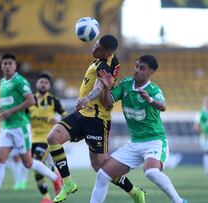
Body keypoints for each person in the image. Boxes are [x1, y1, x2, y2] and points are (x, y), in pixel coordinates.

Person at [47, 35, 144, 203]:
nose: (94, 49)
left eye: (98, 48)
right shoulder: (103, 59)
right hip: (82, 114)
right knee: (53, 138)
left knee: (100, 168)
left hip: (97, 120)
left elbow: (100, 87)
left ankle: (135, 192)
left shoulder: (105, 64)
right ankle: (68, 183)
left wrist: (87, 98)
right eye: (95, 45)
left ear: (107, 53)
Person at [90, 55, 187, 203]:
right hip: (135, 143)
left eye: (142, 68)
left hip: (154, 141)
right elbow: (108, 102)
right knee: (102, 175)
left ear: (151, 72)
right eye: (136, 66)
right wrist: (108, 88)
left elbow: (163, 106)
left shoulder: (153, 89)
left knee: (151, 172)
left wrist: (150, 99)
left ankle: (179, 201)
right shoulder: (126, 84)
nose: (137, 70)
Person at [0, 53, 61, 203]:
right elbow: (6, 103)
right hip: (6, 128)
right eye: (5, 63)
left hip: (20, 127)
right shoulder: (3, 82)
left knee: (28, 163)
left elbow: (31, 101)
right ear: (1, 66)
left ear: (15, 66)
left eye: (10, 63)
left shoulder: (20, 81)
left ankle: (56, 178)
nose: (7, 66)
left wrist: (10, 112)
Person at [28, 73, 66, 203]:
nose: (43, 84)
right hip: (32, 139)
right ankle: (47, 197)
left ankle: (55, 180)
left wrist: (58, 120)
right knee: (37, 169)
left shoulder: (54, 100)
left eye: (46, 82)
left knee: (36, 161)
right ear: (37, 84)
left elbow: (65, 115)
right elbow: (23, 117)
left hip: (46, 138)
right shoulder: (30, 100)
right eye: (41, 82)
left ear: (49, 86)